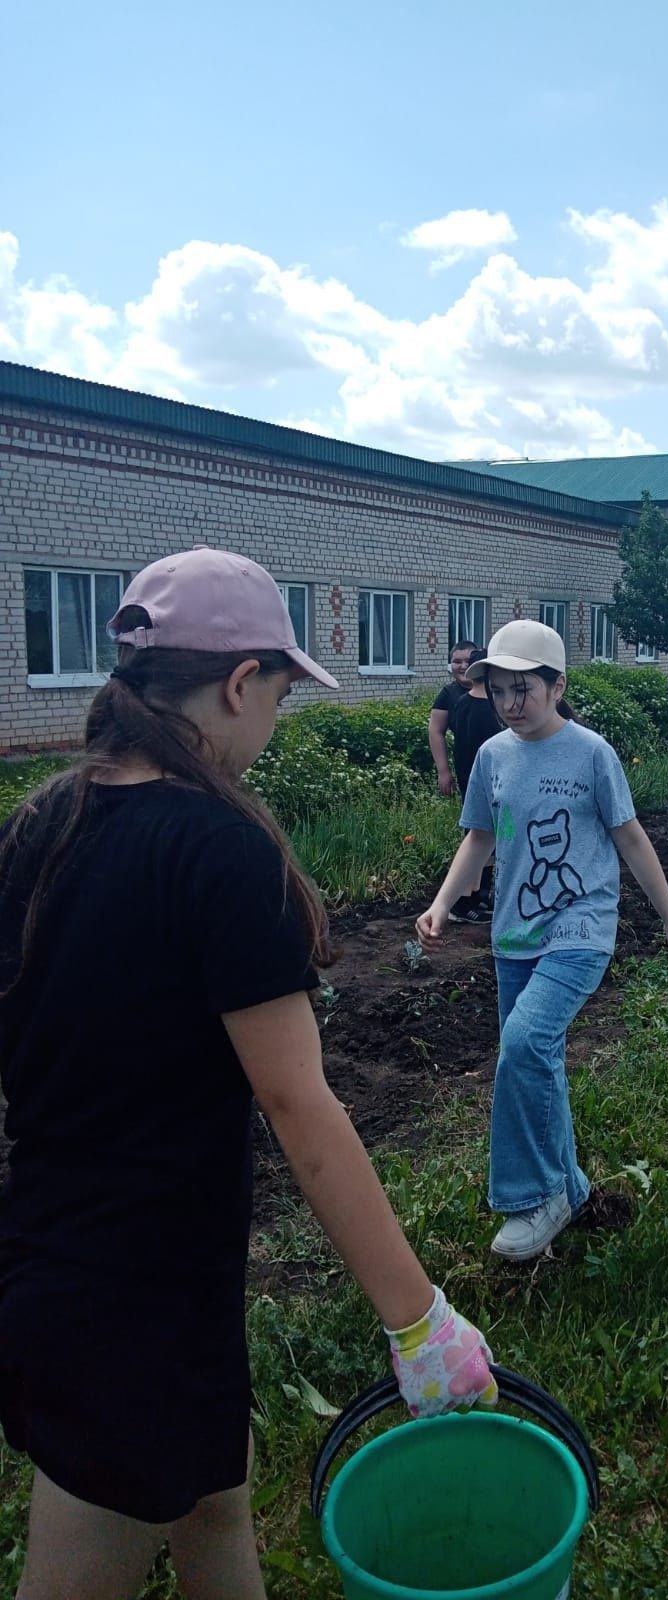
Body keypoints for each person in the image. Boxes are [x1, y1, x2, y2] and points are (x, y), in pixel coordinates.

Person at [0, 549, 497, 1600]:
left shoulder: (40, 823)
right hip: (130, 1301)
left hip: (73, 1259)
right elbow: (296, 1103)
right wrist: (418, 1320)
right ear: (239, 682)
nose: (276, 718)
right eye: (279, 689)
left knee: (214, 1500)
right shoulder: (219, 849)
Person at [416, 620, 668, 1263]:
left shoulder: (592, 752)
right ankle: (572, 1187)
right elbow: (480, 839)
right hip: (513, 934)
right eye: (501, 690)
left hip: (580, 929)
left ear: (557, 684)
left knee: (523, 1043)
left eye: (525, 688)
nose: (512, 702)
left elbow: (629, 838)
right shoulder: (492, 756)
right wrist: (441, 904)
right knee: (541, 1060)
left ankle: (533, 1195)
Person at [447, 648, 503, 924]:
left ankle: (479, 897)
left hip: (467, 777)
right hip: (489, 783)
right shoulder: (490, 710)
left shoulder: (462, 702)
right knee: (483, 841)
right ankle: (464, 903)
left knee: (481, 839)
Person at [428, 639, 478, 795]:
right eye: (457, 662)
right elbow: (435, 730)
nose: (463, 666)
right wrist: (443, 771)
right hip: (466, 767)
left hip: (499, 764)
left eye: (468, 661)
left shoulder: (495, 688)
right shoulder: (448, 694)